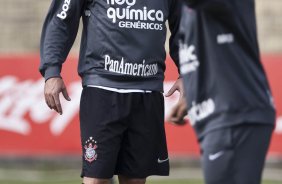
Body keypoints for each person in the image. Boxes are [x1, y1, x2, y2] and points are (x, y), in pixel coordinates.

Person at [39, 0, 183, 184]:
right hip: (102, 89)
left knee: (135, 181)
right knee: (96, 180)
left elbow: (184, 27)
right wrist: (51, 71)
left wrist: (186, 73)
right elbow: (61, 19)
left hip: (148, 91)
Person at [168, 0, 276, 184]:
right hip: (222, 117)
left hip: (235, 117)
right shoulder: (191, 11)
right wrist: (193, 94)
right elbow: (209, 53)